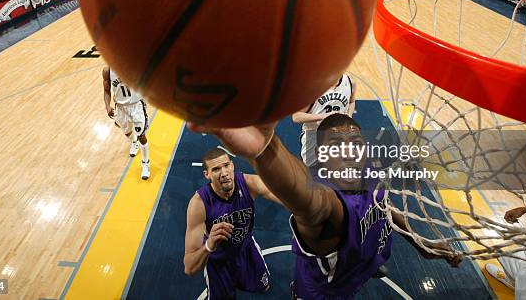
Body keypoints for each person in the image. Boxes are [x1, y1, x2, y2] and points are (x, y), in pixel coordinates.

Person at [189, 114, 462, 299]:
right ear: (321, 155)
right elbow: (306, 198)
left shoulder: (370, 171)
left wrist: (420, 243)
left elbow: (385, 206)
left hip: (356, 270)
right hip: (323, 293)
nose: (348, 152)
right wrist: (266, 148)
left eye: (355, 144)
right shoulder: (327, 200)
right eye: (336, 146)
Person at [183, 148, 281, 299]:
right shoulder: (199, 203)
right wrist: (209, 244)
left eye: (226, 165)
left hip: (246, 250)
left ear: (233, 166)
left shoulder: (249, 183)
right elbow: (189, 268)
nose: (224, 173)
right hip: (218, 261)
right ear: (206, 174)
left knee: (264, 286)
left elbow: (287, 195)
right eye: (216, 169)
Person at [293, 73, 355, 166]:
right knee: (311, 173)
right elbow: (296, 117)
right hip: (314, 135)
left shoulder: (350, 83)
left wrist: (349, 116)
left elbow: (351, 101)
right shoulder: (313, 88)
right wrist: (324, 116)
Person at [102, 66, 150, 180]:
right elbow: (106, 90)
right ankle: (134, 142)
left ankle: (145, 164)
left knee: (142, 136)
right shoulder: (107, 71)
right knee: (127, 132)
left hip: (136, 106)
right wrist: (107, 106)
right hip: (120, 107)